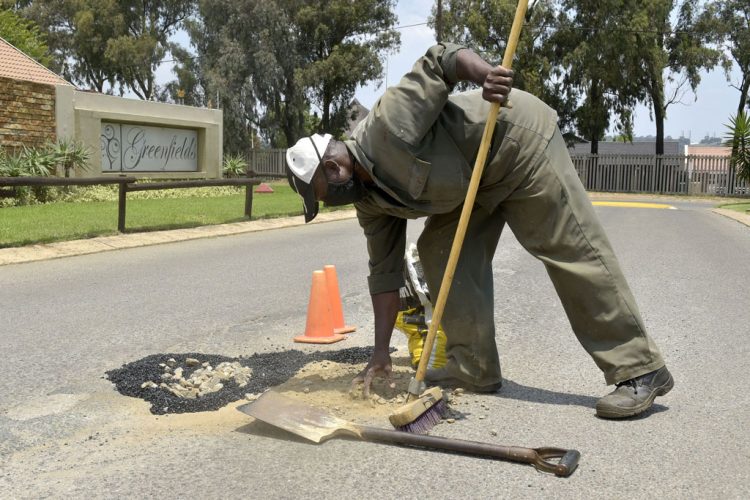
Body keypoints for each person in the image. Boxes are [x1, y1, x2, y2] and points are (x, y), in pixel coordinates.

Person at [285, 43, 673, 419]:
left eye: (320, 195)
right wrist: (380, 353)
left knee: (568, 247)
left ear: (333, 170)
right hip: (473, 183)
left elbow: (441, 60)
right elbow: (384, 276)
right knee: (439, 249)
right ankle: (473, 366)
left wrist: (486, 74)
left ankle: (638, 367)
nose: (327, 204)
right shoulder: (370, 204)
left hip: (517, 146)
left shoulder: (388, 126)